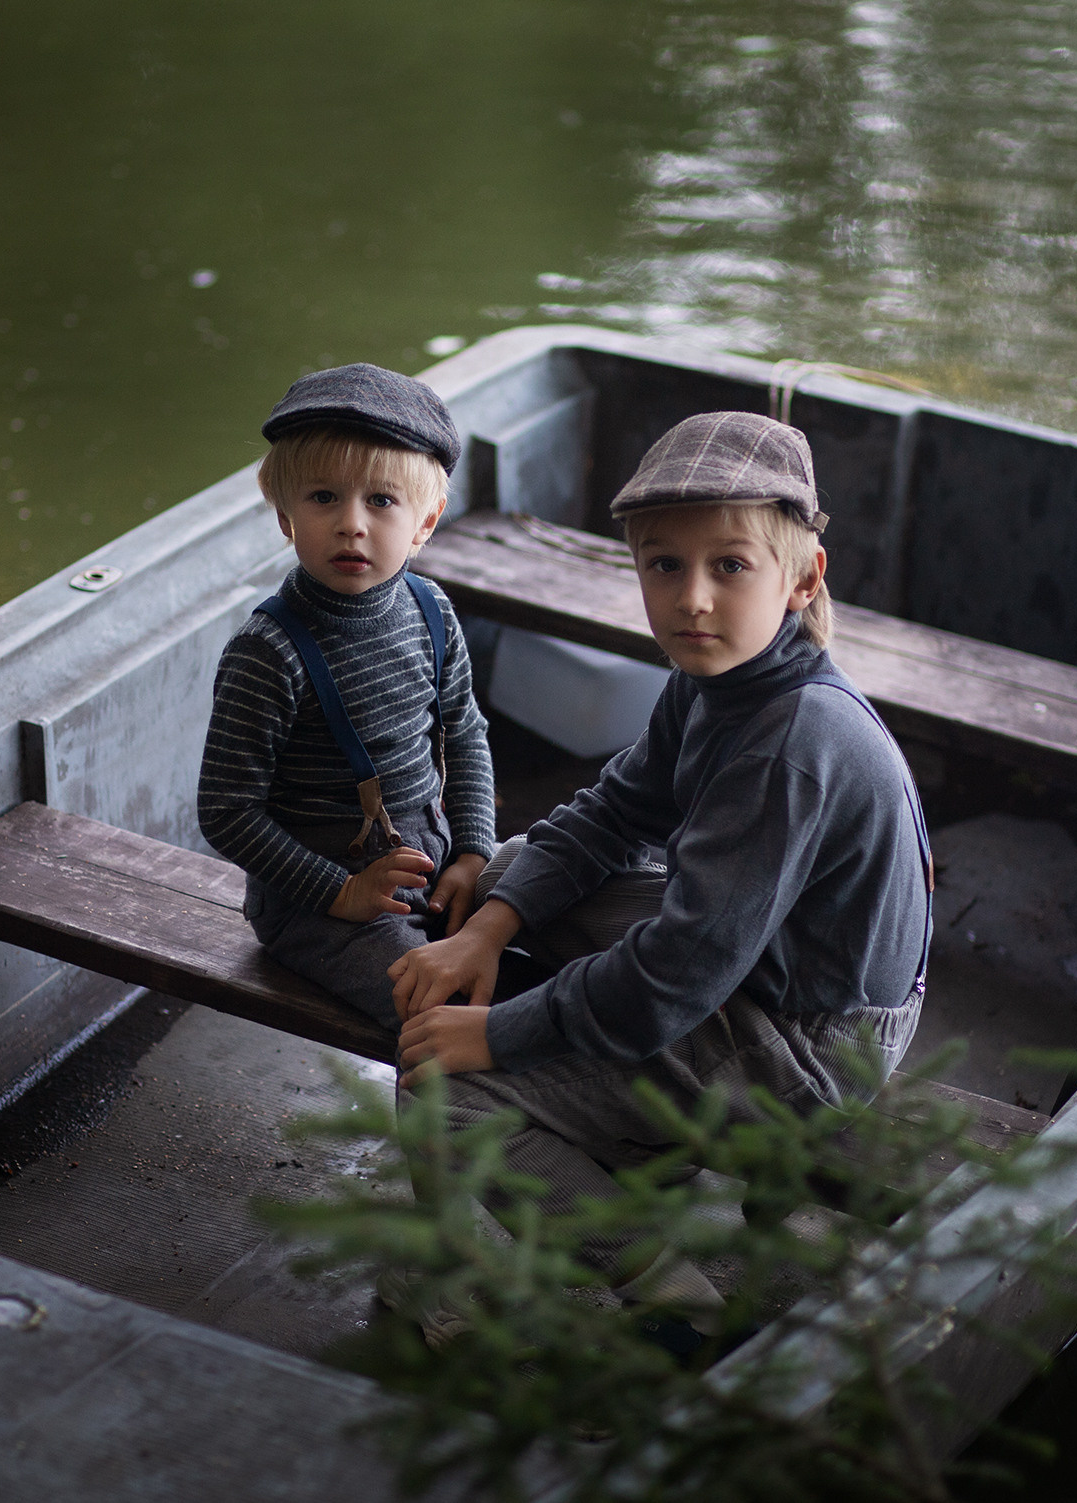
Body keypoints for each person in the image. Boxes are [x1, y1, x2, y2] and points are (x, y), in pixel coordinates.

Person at [385, 410, 933, 1350]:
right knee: (513, 872)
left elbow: (678, 973)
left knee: (445, 1093)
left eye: (730, 566)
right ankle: (632, 1139)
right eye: (663, 566)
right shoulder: (714, 681)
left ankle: (668, 1295)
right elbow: (612, 812)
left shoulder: (792, 743)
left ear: (802, 579)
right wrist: (485, 931)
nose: (692, 600)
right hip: (765, 959)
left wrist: (502, 1032)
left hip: (810, 1034)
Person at [198, 364, 497, 1030]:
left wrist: (474, 850)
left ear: (426, 520)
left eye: (382, 501)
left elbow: (465, 731)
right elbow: (226, 809)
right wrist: (344, 891)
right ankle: (446, 1133)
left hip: (432, 862)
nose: (351, 524)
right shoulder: (269, 651)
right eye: (324, 497)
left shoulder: (431, 610)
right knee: (434, 1008)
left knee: (539, 896)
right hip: (319, 904)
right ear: (284, 513)